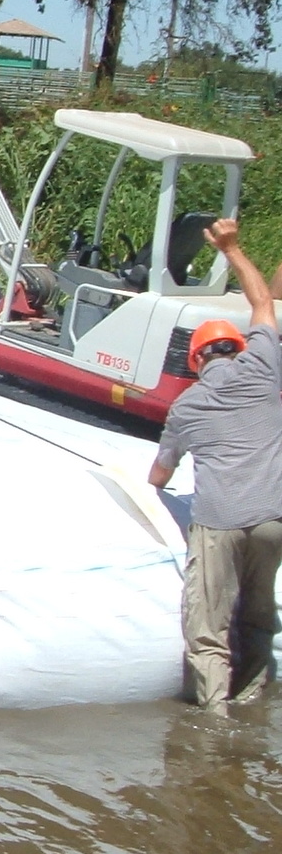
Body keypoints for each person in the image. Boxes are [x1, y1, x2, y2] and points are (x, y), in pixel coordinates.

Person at [148, 219, 282, 714]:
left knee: (208, 629)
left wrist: (157, 485)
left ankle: (215, 723)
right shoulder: (265, 369)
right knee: (258, 614)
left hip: (220, 521)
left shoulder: (185, 407)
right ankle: (253, 698)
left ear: (198, 359)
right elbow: (264, 303)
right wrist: (232, 249)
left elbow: (159, 476)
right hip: (274, 519)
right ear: (239, 348)